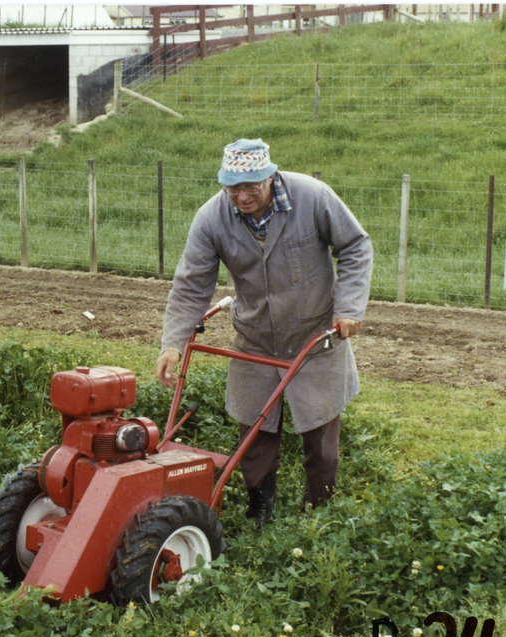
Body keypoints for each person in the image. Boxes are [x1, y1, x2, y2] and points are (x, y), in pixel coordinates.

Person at [156, 139, 372, 527]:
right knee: (254, 431)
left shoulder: (313, 197)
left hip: (315, 334)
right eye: (232, 188)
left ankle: (321, 511)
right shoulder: (211, 218)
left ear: (270, 177)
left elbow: (355, 246)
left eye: (251, 187)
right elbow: (191, 285)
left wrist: (349, 309)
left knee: (321, 436)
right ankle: (260, 511)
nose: (241, 196)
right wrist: (172, 343)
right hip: (254, 336)